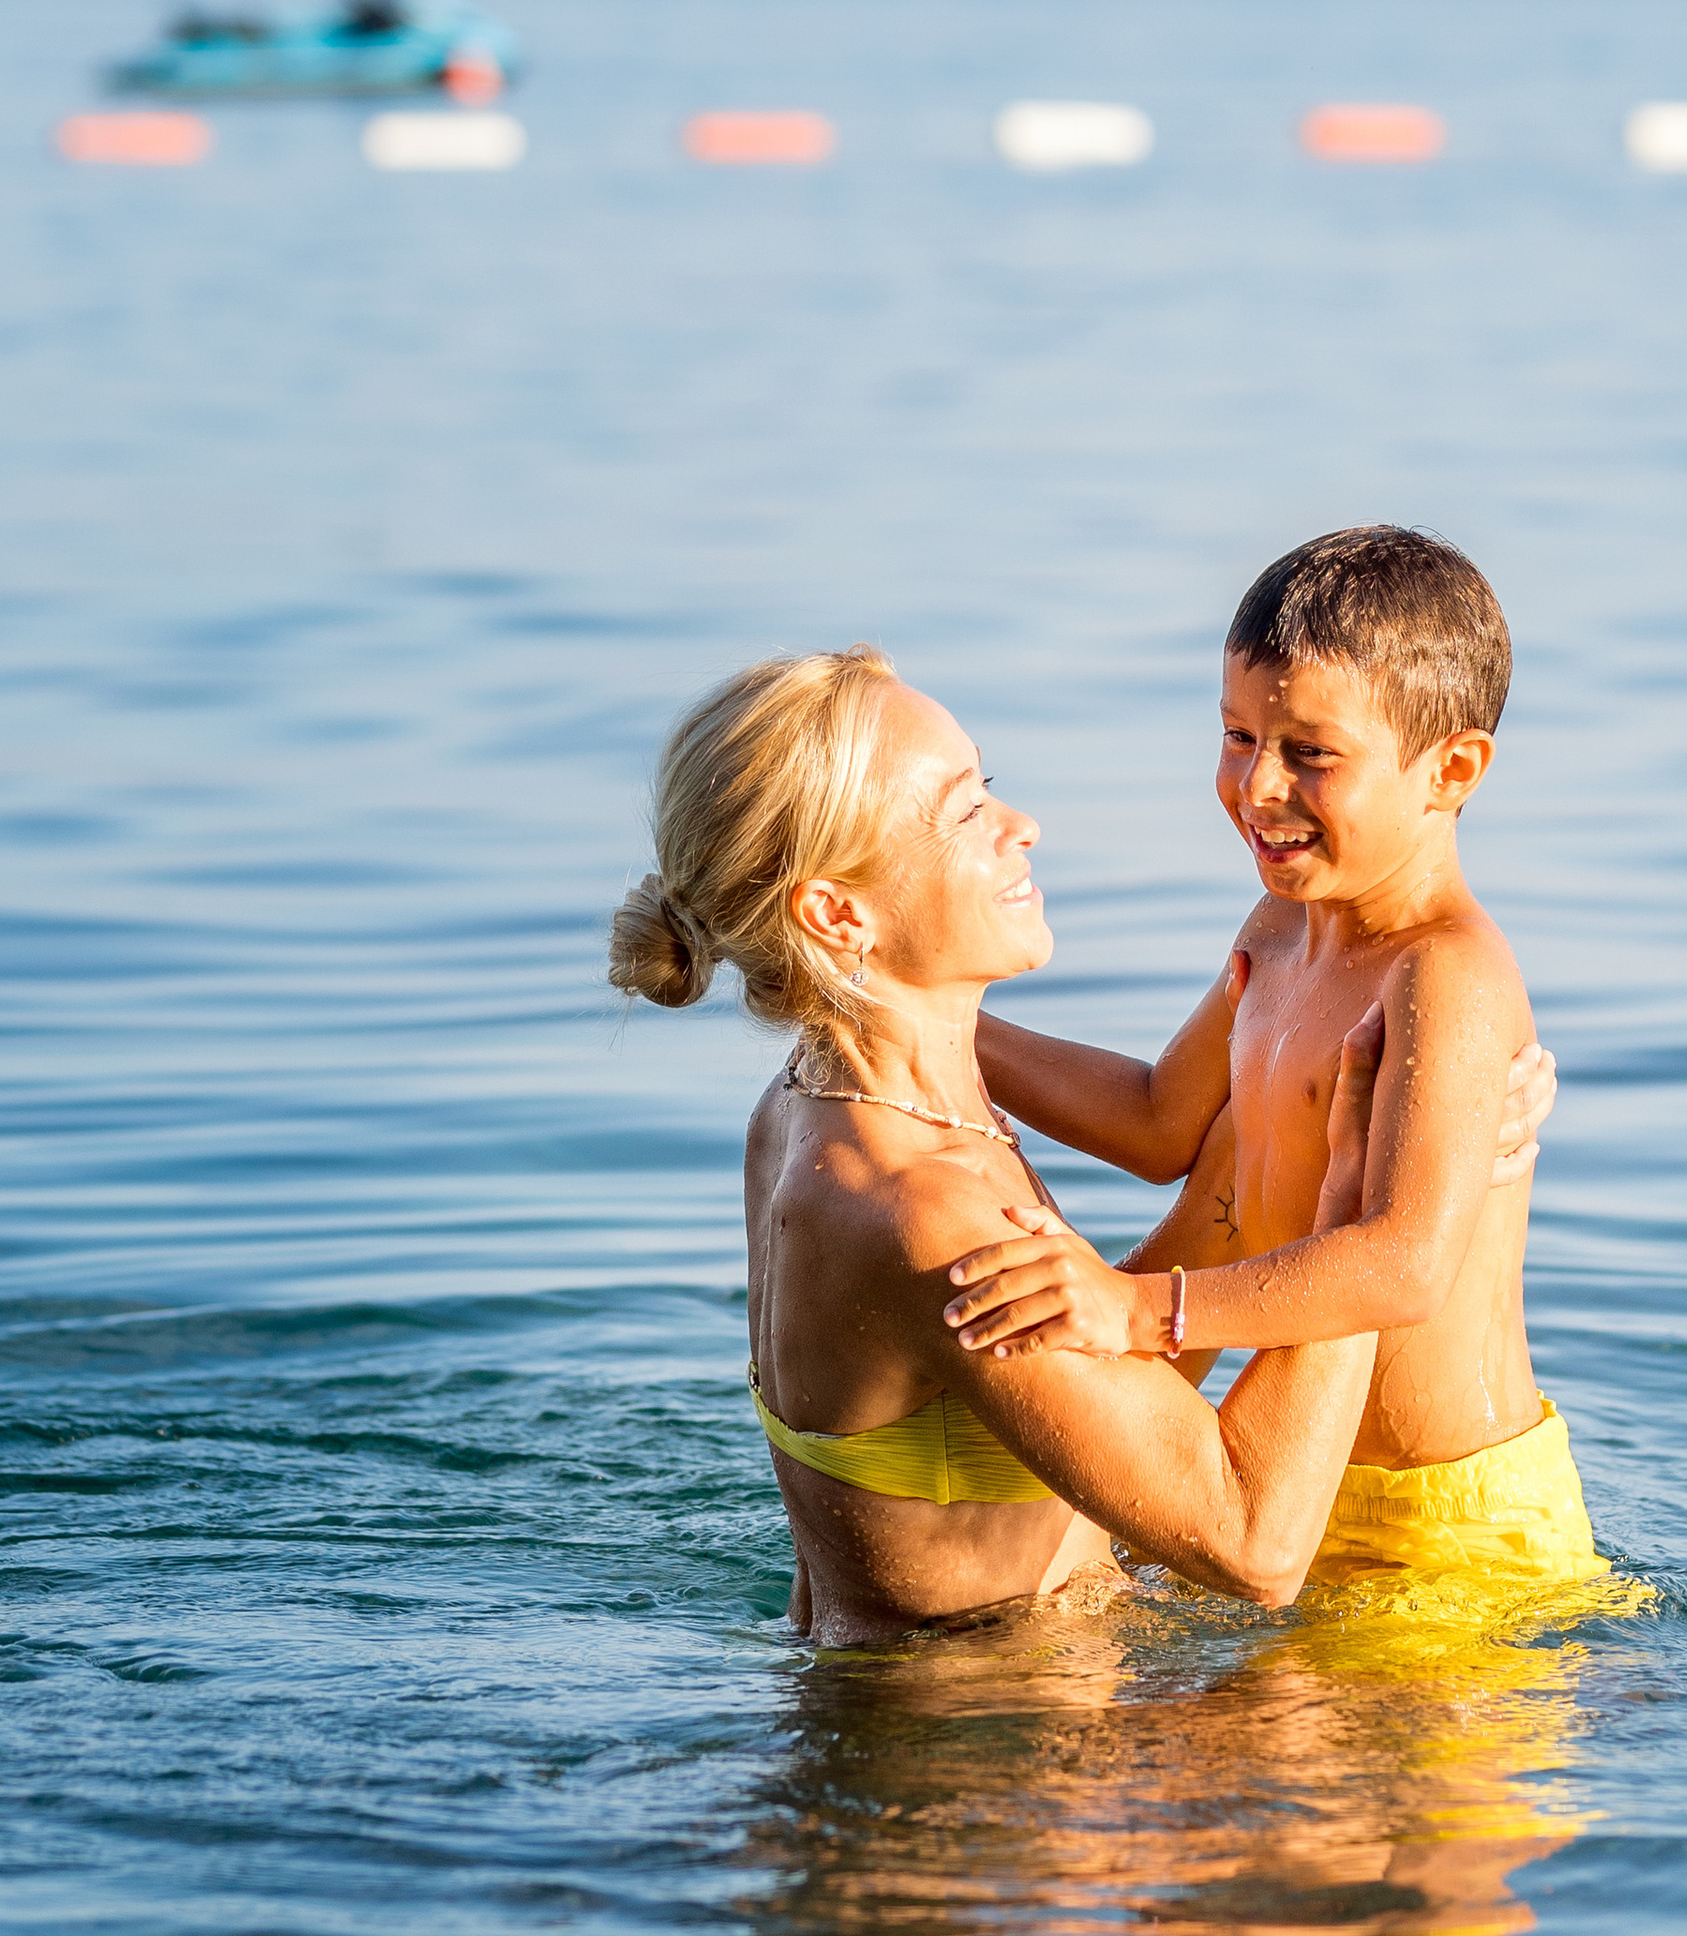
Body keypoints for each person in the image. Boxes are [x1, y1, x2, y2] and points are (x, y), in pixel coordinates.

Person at [606, 643, 1552, 1647]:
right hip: (992, 1777)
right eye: (967, 812)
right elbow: (1253, 1546)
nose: (1022, 827)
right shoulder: (920, 1206)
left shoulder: (810, 1105)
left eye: (992, 790)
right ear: (836, 914)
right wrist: (1354, 1200)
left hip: (944, 1732)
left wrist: (1344, 1113)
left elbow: (1079, 1396)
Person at [949, 526, 1622, 1616]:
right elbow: (1159, 1121)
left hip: (1441, 1525)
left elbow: (1401, 1265)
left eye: (1309, 754)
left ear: (1450, 770)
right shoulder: (1280, 923)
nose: (1257, 787)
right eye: (1235, 736)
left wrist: (1134, 1309)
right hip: (1288, 1470)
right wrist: (940, 1023)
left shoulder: (1444, 975)